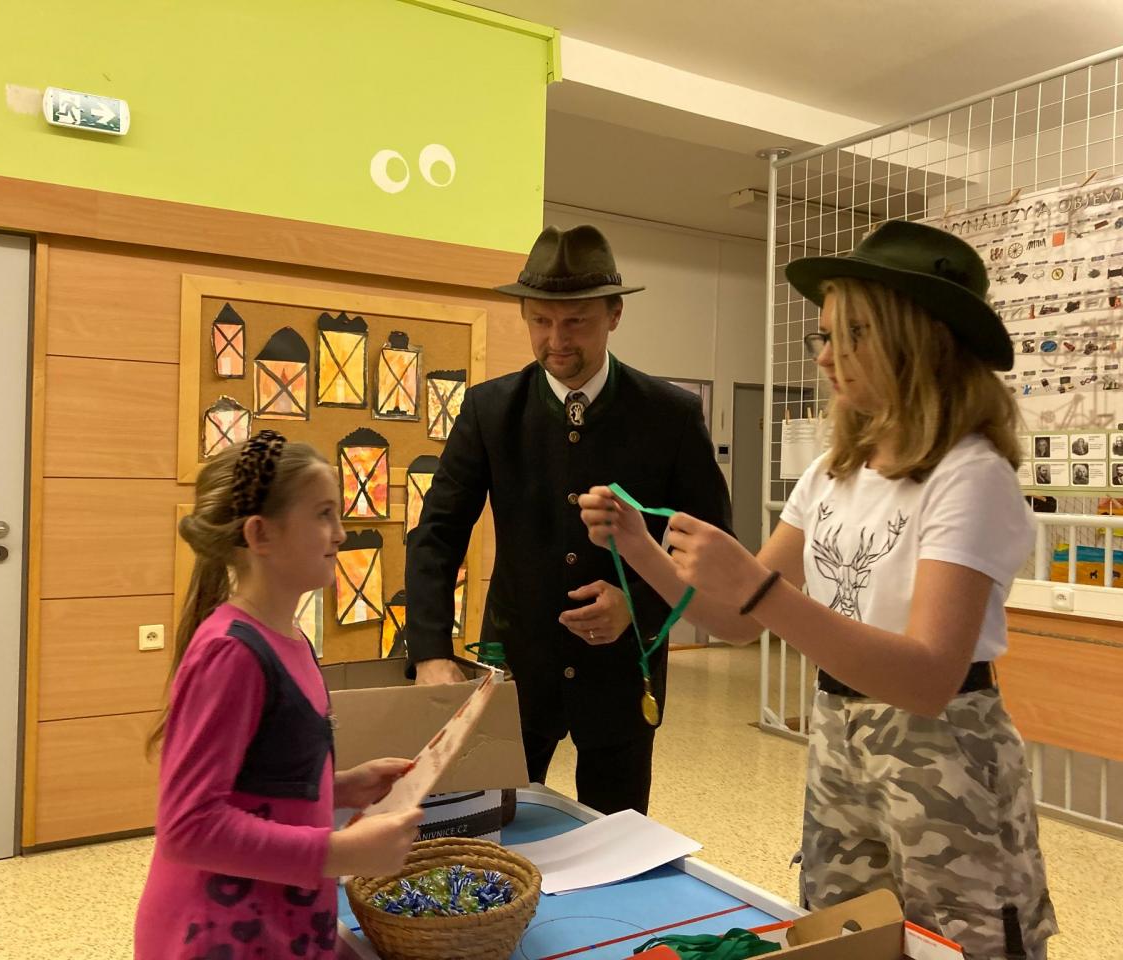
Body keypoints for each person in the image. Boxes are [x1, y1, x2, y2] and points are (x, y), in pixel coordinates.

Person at [578, 221, 1058, 958]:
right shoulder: (833, 472)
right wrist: (638, 547)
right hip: (839, 731)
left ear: (917, 341)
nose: (827, 356)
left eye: (853, 334)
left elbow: (929, 677)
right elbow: (735, 622)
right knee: (845, 934)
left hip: (945, 755)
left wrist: (760, 589)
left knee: (958, 942)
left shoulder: (970, 476)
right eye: (825, 335)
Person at [405, 224, 732, 816]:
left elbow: (712, 546)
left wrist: (639, 605)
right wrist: (430, 651)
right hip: (514, 670)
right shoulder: (488, 410)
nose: (555, 340)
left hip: (623, 676)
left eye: (576, 321)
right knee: (494, 829)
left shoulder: (671, 416)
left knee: (617, 837)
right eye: (540, 321)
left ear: (615, 314)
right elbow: (437, 535)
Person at [135, 431, 422, 960]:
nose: (341, 533)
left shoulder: (291, 640)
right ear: (260, 534)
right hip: (217, 938)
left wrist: (338, 788)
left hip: (278, 926)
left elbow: (258, 784)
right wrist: (338, 851)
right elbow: (188, 828)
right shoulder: (231, 653)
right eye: (323, 515)